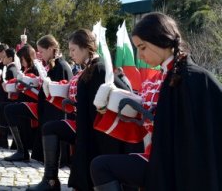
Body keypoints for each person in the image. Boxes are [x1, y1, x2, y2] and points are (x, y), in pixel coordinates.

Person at [90, 12, 222, 191]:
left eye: (142, 47)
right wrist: (111, 106)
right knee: (100, 165)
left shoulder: (196, 78)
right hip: (157, 157)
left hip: (180, 168)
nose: (139, 55)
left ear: (161, 40)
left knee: (101, 166)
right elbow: (142, 128)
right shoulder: (158, 79)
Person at [26, 29, 141, 191]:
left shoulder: (99, 68)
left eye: (73, 49)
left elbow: (120, 97)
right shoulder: (90, 68)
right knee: (51, 128)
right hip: (86, 126)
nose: (71, 54)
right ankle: (50, 181)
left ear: (86, 47)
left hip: (98, 132)